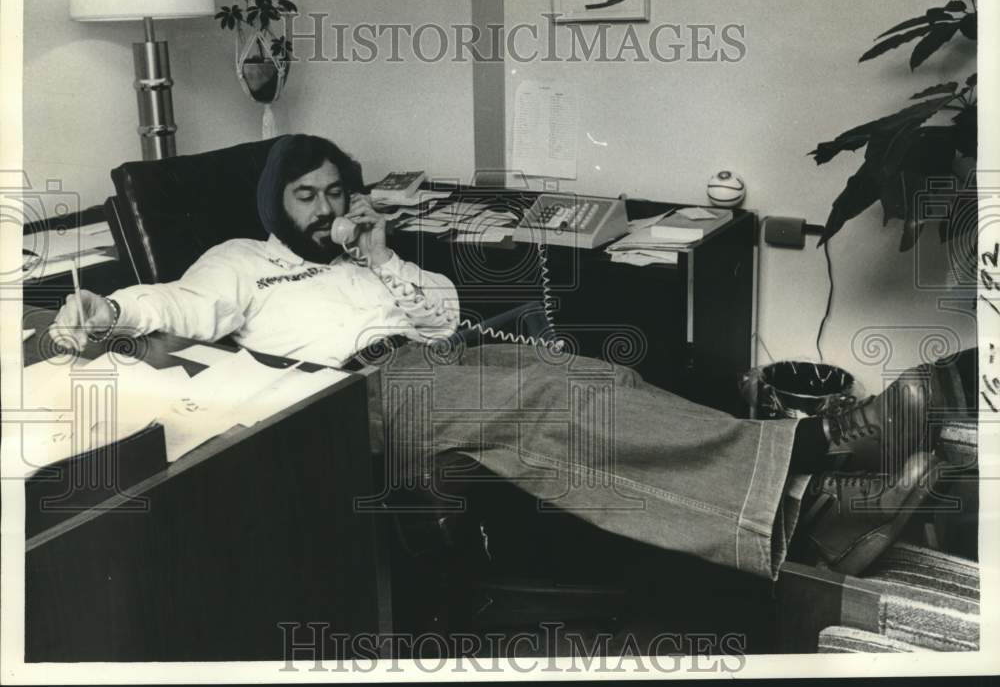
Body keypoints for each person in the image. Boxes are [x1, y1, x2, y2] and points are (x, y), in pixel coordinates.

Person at [50, 134, 940, 580]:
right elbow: (172, 304)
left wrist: (380, 256)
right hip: (358, 397)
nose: (325, 210)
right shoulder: (240, 263)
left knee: (604, 379)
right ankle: (821, 452)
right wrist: (107, 308)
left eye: (336, 193)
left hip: (443, 357)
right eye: (307, 197)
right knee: (557, 410)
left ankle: (808, 519)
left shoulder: (366, 252)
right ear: (274, 203)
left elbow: (440, 312)